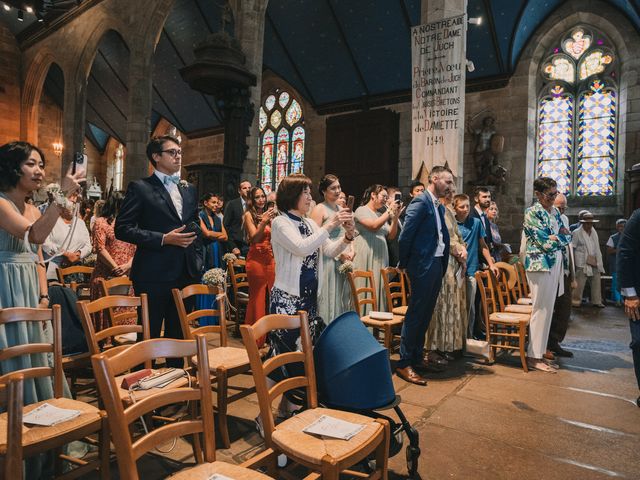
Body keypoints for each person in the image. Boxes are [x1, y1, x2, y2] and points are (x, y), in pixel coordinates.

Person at [0, 141, 83, 405]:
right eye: (31, 164)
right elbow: (33, 234)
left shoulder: (34, 209)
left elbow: (37, 259)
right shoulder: (1, 204)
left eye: (41, 165)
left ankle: (39, 410)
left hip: (30, 289)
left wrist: (44, 297)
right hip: (4, 285)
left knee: (35, 350)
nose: (39, 171)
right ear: (12, 168)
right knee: (10, 349)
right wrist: (61, 197)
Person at [115, 135, 203, 367]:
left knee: (178, 333)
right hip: (153, 272)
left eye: (179, 152)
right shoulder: (141, 187)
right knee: (149, 332)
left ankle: (175, 384)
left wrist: (197, 256)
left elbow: (194, 222)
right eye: (172, 152)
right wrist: (164, 239)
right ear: (156, 156)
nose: (178, 156)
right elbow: (122, 229)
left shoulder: (189, 189)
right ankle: (142, 385)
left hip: (184, 271)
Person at [268, 173, 355, 376]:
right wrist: (331, 224)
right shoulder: (280, 223)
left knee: (303, 354)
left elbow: (331, 251)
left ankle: (287, 407)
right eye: (304, 193)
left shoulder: (309, 224)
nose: (309, 197)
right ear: (291, 195)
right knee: (283, 355)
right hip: (288, 298)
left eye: (309, 192)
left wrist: (348, 235)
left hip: (310, 297)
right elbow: (301, 248)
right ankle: (266, 404)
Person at [396, 166, 454, 386]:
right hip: (422, 265)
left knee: (426, 312)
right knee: (416, 313)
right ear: (434, 179)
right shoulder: (421, 201)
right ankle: (404, 363)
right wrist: (405, 263)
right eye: (447, 182)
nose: (450, 187)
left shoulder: (436, 205)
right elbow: (406, 235)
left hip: (436, 263)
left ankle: (417, 356)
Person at [523, 177, 571, 372]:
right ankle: (533, 356)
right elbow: (544, 242)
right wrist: (556, 238)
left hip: (554, 264)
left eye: (555, 193)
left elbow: (567, 235)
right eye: (550, 194)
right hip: (539, 266)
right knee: (540, 309)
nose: (553, 198)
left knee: (548, 311)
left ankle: (540, 352)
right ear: (538, 194)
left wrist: (557, 237)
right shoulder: (532, 213)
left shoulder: (554, 214)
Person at [426, 187, 467, 364]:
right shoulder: (437, 210)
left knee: (452, 306)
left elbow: (457, 235)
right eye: (448, 190)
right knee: (441, 306)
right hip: (444, 262)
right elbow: (443, 238)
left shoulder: (449, 212)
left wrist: (464, 251)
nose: (451, 193)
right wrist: (458, 251)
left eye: (453, 190)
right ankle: (434, 348)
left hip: (455, 263)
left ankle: (448, 346)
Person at [454, 194, 500, 340]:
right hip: (453, 270)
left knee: (470, 308)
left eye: (467, 206)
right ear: (455, 208)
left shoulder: (475, 223)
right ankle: (455, 341)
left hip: (471, 269)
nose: (466, 209)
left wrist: (491, 264)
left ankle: (467, 340)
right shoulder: (452, 224)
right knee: (454, 308)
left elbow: (483, 246)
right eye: (462, 206)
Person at [89, 191, 136, 331]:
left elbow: (139, 247)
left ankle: (125, 349)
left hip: (128, 275)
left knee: (127, 318)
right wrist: (116, 268)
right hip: (105, 274)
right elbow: (99, 248)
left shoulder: (131, 224)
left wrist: (128, 265)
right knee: (106, 319)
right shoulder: (101, 222)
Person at [310, 174, 353, 323]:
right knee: (328, 297)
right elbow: (315, 239)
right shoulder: (319, 209)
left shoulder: (343, 208)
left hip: (343, 258)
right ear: (324, 191)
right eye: (333, 188)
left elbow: (348, 233)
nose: (337, 190)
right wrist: (339, 254)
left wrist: (350, 249)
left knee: (342, 297)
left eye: (338, 187)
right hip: (326, 259)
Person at [353, 184, 401, 312]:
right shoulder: (361, 210)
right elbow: (373, 226)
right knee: (365, 287)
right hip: (367, 252)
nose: (386, 200)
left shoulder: (381, 213)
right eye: (383, 196)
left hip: (381, 255)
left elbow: (390, 235)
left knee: (379, 287)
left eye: (387, 197)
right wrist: (389, 211)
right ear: (373, 195)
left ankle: (377, 326)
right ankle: (363, 321)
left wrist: (395, 218)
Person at [243, 186, 276, 339]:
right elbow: (254, 238)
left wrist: (275, 221)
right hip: (256, 259)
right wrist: (263, 222)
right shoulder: (248, 215)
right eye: (257, 197)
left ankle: (271, 334)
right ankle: (256, 337)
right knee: (258, 296)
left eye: (263, 196)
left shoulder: (269, 214)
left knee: (272, 295)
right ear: (251, 199)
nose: (261, 199)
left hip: (270, 259)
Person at [616, 208, 640, 408]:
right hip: (637, 293)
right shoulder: (638, 217)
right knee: (639, 342)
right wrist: (630, 293)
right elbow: (624, 252)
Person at [547, 193, 575, 358]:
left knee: (565, 307)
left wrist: (571, 271)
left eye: (564, 207)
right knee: (550, 307)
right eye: (559, 207)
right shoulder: (545, 218)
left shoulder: (564, 219)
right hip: (551, 269)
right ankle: (545, 344)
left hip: (564, 269)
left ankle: (555, 341)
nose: (562, 210)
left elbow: (568, 244)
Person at [42, 191, 92, 281]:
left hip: (76, 268)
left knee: (74, 294)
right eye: (70, 206)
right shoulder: (51, 220)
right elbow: (45, 244)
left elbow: (88, 245)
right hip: (55, 266)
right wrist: (65, 254)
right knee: (56, 292)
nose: (74, 204)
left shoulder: (80, 223)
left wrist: (78, 255)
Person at [196, 192, 228, 325]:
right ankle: (203, 317)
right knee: (205, 281)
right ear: (205, 203)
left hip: (217, 251)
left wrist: (214, 235)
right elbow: (206, 233)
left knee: (216, 282)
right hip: (205, 252)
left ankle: (215, 317)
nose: (216, 205)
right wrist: (217, 234)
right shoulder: (200, 216)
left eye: (217, 203)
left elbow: (226, 236)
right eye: (213, 202)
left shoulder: (218, 219)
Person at [572, 211, 605, 308]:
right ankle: (575, 301)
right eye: (587, 223)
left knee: (596, 280)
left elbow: (597, 247)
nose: (589, 225)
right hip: (581, 261)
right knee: (579, 283)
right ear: (583, 223)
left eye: (591, 223)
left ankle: (597, 301)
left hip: (593, 260)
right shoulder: (576, 232)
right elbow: (573, 248)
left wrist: (598, 261)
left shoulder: (594, 232)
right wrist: (573, 263)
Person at [224, 180, 252, 257]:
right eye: (244, 188)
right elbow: (226, 226)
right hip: (237, 244)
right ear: (239, 191)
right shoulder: (232, 204)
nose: (247, 190)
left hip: (251, 244)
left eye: (249, 188)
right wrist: (232, 246)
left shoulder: (253, 205)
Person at [606, 218, 627, 305]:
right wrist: (619, 250)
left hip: (626, 265)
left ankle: (622, 299)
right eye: (619, 226)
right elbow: (609, 250)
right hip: (616, 264)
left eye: (623, 226)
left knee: (624, 283)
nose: (621, 228)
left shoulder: (630, 237)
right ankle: (617, 300)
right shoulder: (613, 237)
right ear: (616, 227)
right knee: (616, 282)